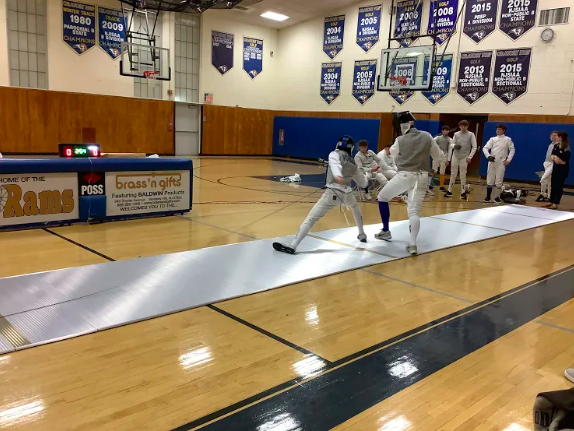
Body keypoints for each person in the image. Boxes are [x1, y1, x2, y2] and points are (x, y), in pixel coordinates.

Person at [272, 135, 368, 254]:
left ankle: (294, 245)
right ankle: (362, 234)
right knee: (355, 207)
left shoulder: (334, 154)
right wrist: (367, 177)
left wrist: (337, 174)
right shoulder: (354, 163)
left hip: (331, 193)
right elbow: (363, 183)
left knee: (311, 219)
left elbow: (335, 164)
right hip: (347, 193)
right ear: (351, 148)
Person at [375, 111, 442, 256]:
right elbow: (438, 156)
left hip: (405, 175)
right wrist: (435, 165)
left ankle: (386, 230)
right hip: (423, 177)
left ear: (402, 125)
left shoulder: (400, 139)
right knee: (414, 212)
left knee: (382, 197)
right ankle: (412, 244)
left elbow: (392, 153)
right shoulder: (427, 136)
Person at [482, 124, 516, 203]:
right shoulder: (492, 139)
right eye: (497, 129)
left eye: (500, 129)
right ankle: (488, 197)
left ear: (503, 130)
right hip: (492, 162)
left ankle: (497, 197)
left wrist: (508, 160)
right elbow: (485, 148)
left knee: (499, 181)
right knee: (490, 180)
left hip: (501, 163)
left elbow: (512, 150)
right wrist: (488, 156)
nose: (498, 131)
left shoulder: (507, 139)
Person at [445, 120, 477, 201]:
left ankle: (463, 192)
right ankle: (449, 191)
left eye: (464, 126)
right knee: (453, 173)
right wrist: (455, 146)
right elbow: (451, 144)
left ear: (467, 126)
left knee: (463, 174)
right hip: (455, 155)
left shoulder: (471, 135)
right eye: (461, 126)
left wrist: (470, 157)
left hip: (464, 156)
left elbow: (474, 147)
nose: (463, 127)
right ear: (459, 126)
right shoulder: (456, 134)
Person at [544, 131, 570, 210]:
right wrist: (554, 158)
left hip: (562, 170)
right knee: (553, 185)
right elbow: (552, 154)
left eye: (558, 136)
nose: (556, 138)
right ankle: (551, 201)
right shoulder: (556, 146)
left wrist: (560, 161)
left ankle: (556, 203)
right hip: (555, 168)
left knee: (559, 186)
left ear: (561, 137)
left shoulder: (566, 147)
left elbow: (565, 160)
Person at [537, 131, 558, 202]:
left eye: (555, 135)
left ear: (558, 137)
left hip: (552, 164)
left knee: (543, 179)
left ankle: (543, 194)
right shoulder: (550, 145)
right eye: (552, 135)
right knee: (549, 181)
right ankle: (548, 196)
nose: (553, 137)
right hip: (546, 163)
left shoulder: (558, 145)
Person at [433, 125, 454, 192]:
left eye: (447, 130)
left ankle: (441, 186)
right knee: (434, 170)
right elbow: (432, 144)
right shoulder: (437, 138)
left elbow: (450, 150)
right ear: (442, 131)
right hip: (436, 156)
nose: (446, 132)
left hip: (444, 156)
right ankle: (430, 185)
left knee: (442, 171)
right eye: (445, 130)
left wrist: (448, 160)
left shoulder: (450, 140)